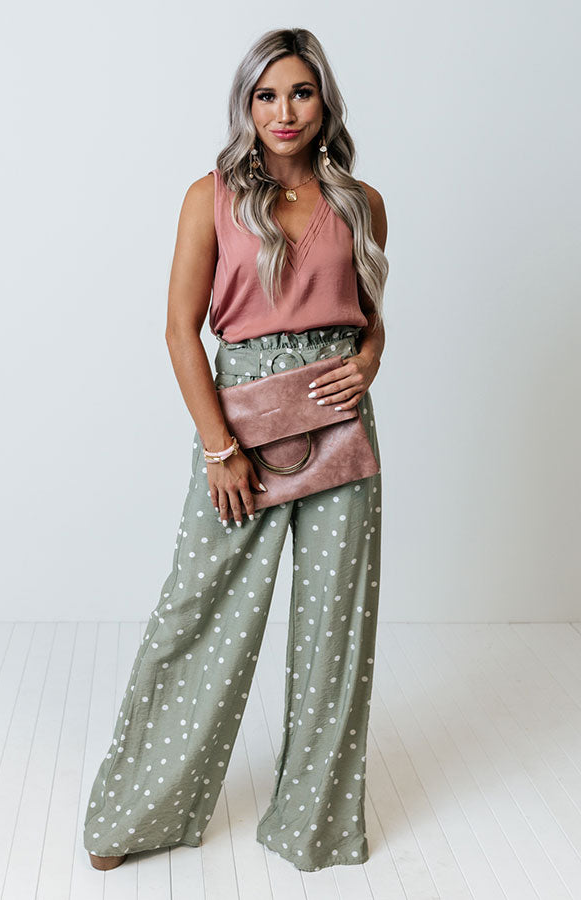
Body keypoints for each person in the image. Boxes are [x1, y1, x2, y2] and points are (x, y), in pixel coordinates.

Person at [83, 26, 389, 874]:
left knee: (334, 629)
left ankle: (314, 824)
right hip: (242, 430)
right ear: (246, 105)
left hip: (341, 428)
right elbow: (180, 331)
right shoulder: (209, 196)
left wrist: (367, 360)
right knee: (200, 617)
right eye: (267, 95)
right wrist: (221, 449)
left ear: (325, 101)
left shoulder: (361, 201)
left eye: (301, 92)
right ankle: (138, 813)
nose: (284, 111)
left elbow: (370, 318)